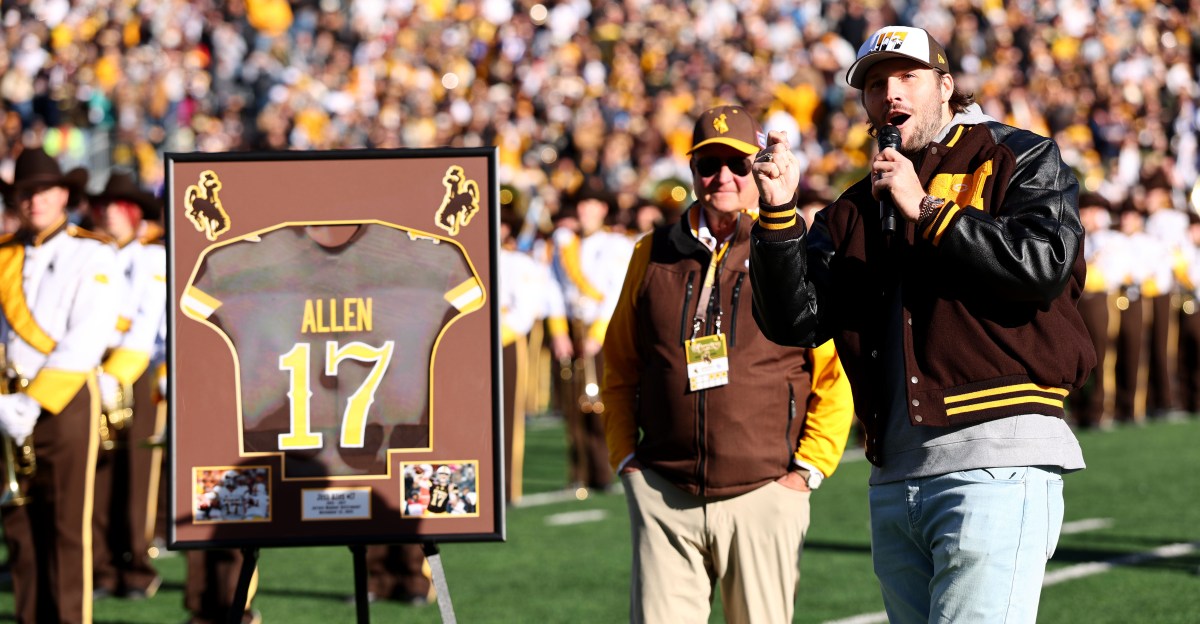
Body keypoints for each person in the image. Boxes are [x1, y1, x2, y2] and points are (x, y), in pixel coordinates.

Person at [748, 27, 1095, 624]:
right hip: (894, 474)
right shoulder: (855, 205)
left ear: (946, 86)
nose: (891, 94)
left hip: (995, 456)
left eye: (907, 77)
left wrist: (930, 210)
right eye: (877, 84)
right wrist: (779, 216)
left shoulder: (1017, 154)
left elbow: (1044, 264)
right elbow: (795, 321)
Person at [602, 105, 855, 623]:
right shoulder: (651, 253)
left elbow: (833, 371)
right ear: (692, 170)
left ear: (758, 168)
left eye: (738, 165)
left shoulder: (789, 247)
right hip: (665, 489)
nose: (723, 178)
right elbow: (620, 364)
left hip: (766, 488)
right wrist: (626, 458)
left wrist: (806, 471)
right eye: (708, 165)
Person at [0, 145, 120, 623]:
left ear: (64, 194)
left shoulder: (91, 252)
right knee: (20, 528)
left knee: (69, 525)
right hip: (7, 402)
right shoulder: (4, 256)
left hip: (65, 400)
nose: (34, 201)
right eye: (25, 193)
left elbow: (88, 336)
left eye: (43, 191)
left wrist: (32, 403)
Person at [89, 171, 168, 601]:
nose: (109, 214)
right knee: (101, 473)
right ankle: (101, 565)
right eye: (106, 207)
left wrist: (114, 373)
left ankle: (136, 567)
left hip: (137, 372)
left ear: (135, 214)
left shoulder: (152, 258)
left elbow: (145, 325)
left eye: (119, 207)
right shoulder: (98, 254)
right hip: (96, 369)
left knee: (137, 475)